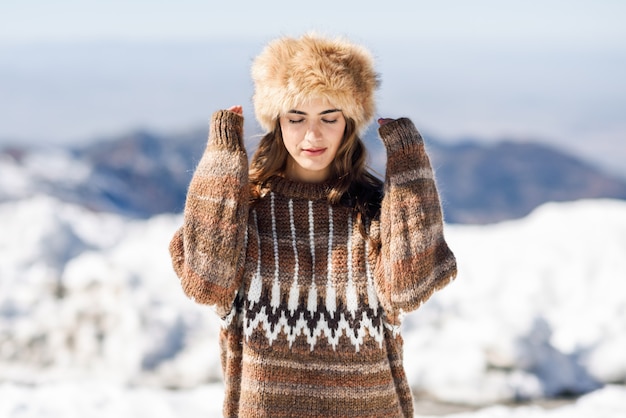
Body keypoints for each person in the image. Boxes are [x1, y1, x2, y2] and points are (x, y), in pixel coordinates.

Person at [169, 33, 457, 418]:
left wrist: (409, 167)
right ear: (276, 122)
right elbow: (206, 282)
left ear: (349, 123)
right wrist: (222, 158)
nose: (313, 135)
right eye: (296, 117)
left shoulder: (371, 212)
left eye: (329, 117)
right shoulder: (248, 212)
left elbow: (410, 287)